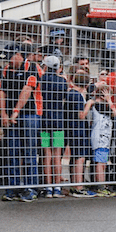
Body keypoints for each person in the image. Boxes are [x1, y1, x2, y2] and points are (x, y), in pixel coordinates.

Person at [0, 42, 43, 202]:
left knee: (30, 152)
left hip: (30, 114)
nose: (7, 62)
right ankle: (13, 188)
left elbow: (28, 89)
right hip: (11, 117)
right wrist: (4, 113)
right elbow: (1, 91)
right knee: (13, 151)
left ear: (18, 55)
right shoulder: (6, 70)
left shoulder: (32, 67)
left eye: (10, 58)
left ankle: (31, 188)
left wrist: (16, 110)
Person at [38, 55, 67, 198]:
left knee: (46, 154)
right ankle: (57, 187)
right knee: (57, 155)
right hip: (58, 122)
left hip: (44, 121)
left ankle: (48, 186)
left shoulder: (41, 80)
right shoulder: (62, 81)